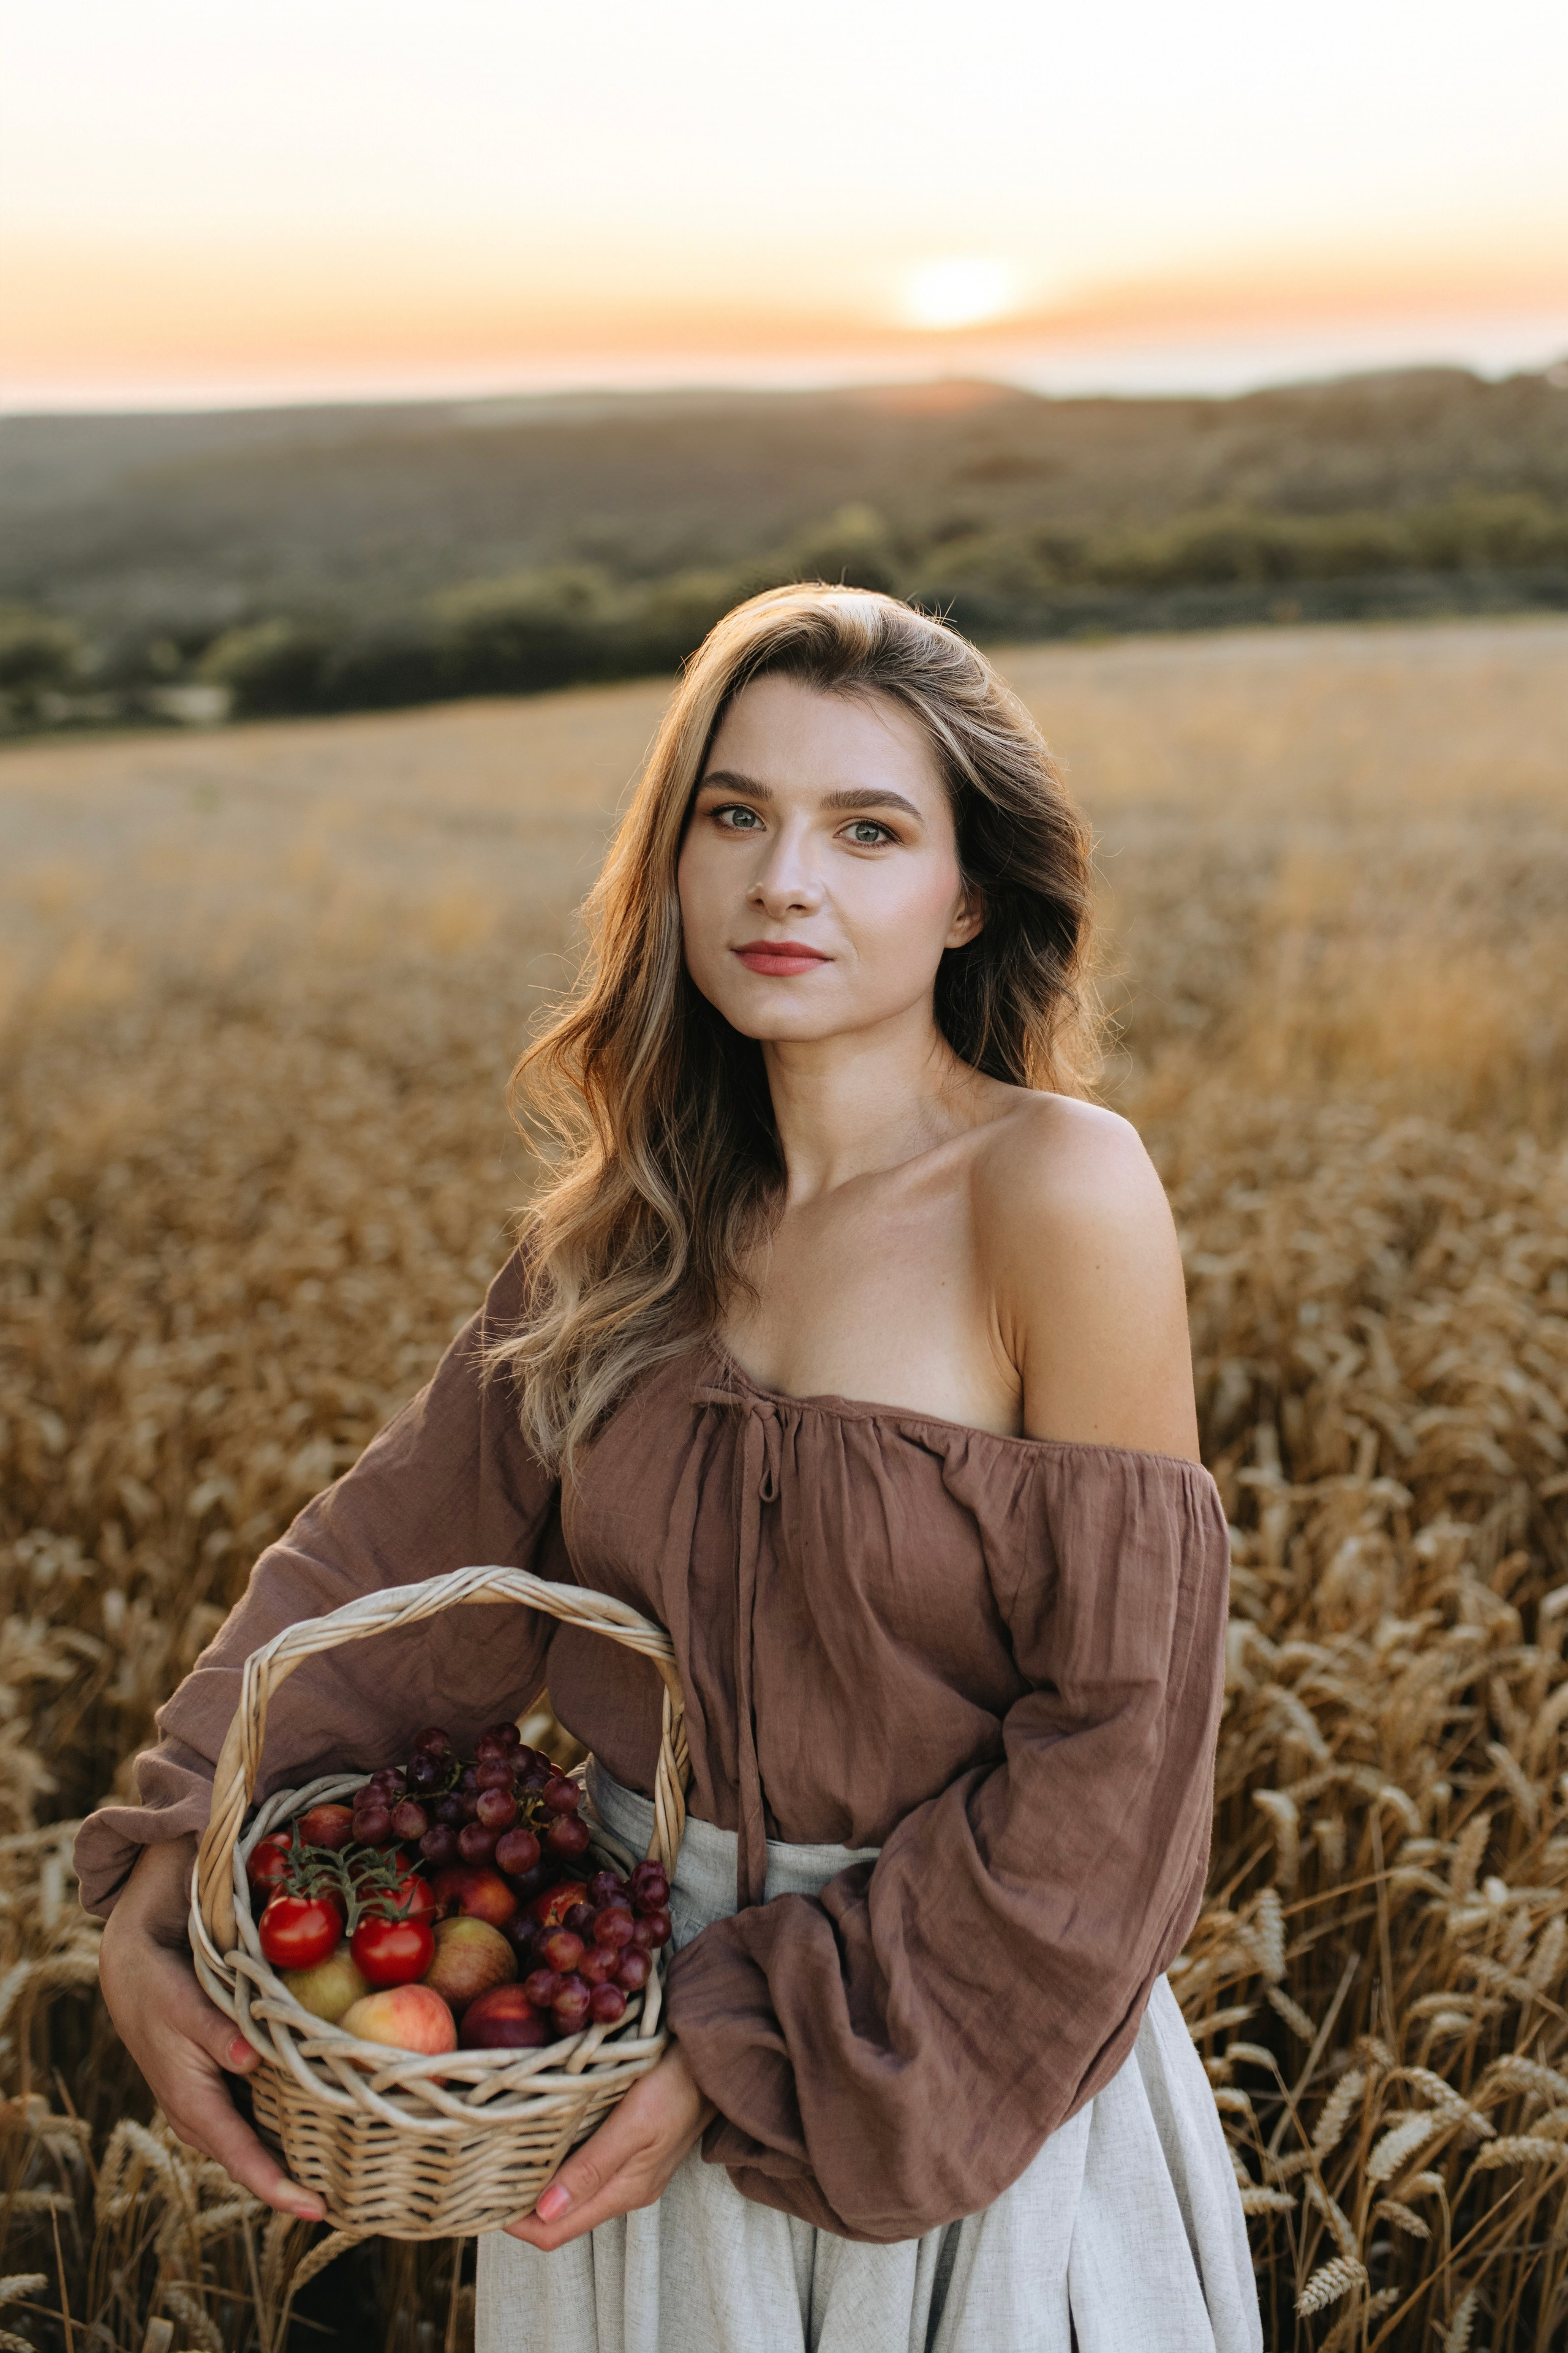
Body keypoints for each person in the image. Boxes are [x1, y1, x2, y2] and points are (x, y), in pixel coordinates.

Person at [80, 584, 1262, 2352]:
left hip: (949, 2052)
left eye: (867, 829)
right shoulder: (619, 1239)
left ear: (972, 895)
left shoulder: (1058, 1192)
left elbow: (1126, 1744)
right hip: (599, 2034)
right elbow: (382, 1573)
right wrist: (168, 1866)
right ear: (677, 861)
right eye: (736, 815)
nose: (785, 879)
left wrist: (760, 2036)